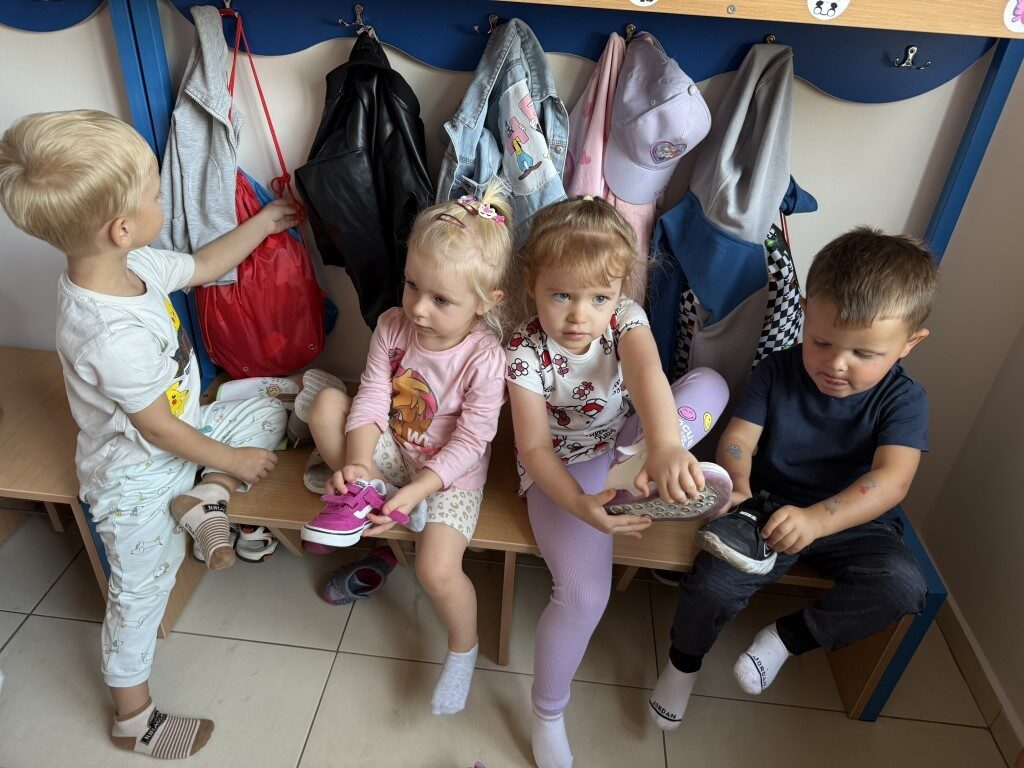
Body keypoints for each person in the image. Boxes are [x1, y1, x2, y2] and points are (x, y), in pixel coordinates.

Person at [0, 110, 298, 758]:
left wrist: (264, 223)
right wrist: (234, 460)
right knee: (140, 595)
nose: (163, 203)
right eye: (157, 195)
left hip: (185, 432)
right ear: (121, 225)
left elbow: (202, 263)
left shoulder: (130, 265)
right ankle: (133, 719)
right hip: (134, 476)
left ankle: (206, 499)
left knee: (278, 398)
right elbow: (156, 430)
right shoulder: (108, 333)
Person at [649, 227, 939, 731]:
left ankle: (787, 639)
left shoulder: (904, 399)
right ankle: (682, 664)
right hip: (767, 506)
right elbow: (739, 440)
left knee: (903, 586)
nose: (836, 364)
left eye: (864, 354)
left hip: (852, 521)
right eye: (822, 342)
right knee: (713, 581)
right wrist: (738, 482)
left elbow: (892, 480)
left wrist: (819, 520)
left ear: (909, 343)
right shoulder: (777, 370)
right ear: (805, 313)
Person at [505, 195, 730, 768]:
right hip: (565, 468)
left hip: (629, 437)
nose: (580, 315)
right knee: (584, 595)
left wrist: (665, 442)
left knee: (711, 384)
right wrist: (580, 505)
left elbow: (647, 373)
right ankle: (547, 714)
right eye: (562, 295)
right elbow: (534, 449)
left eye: (598, 298)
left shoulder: (626, 317)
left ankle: (653, 468)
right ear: (532, 285)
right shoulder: (524, 351)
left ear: (619, 291)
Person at [303, 179, 514, 716]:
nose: (418, 307)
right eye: (412, 285)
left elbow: (473, 440)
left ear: (485, 304)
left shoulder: (485, 358)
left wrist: (420, 489)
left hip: (448, 477)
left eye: (441, 299)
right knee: (325, 404)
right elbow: (372, 397)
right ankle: (367, 493)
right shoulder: (392, 326)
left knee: (436, 571)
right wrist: (358, 461)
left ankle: (462, 651)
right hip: (394, 450)